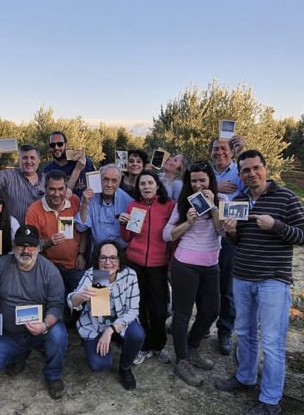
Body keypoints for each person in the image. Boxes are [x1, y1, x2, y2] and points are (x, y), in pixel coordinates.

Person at [215, 150, 304, 415]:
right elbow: (237, 240)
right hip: (242, 277)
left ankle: (270, 401)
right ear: (240, 174)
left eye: (255, 168)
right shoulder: (238, 200)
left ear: (265, 168)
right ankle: (245, 378)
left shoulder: (286, 198)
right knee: (244, 333)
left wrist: (276, 226)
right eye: (245, 170)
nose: (251, 174)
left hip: (273, 280)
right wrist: (231, 233)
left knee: (272, 341)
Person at [0, 225, 68, 400]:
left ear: (39, 248)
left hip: (40, 330)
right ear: (14, 246)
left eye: (31, 246)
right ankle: (19, 355)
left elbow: (57, 305)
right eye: (21, 245)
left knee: (58, 333)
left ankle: (54, 375)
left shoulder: (50, 271)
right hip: (9, 334)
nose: (26, 251)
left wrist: (44, 325)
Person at [163, 161, 225, 387]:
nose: (198, 185)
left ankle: (192, 347)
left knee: (211, 311)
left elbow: (222, 231)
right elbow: (166, 235)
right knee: (182, 314)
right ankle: (182, 360)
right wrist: (188, 223)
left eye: (202, 180)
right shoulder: (182, 203)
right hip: (186, 264)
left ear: (210, 181)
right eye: (194, 181)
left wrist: (214, 207)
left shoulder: (222, 200)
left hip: (211, 265)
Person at [66, 240, 145, 390]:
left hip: (118, 323)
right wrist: (81, 296)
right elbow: (71, 300)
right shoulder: (95, 274)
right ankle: (95, 342)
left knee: (137, 334)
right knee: (99, 364)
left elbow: (133, 310)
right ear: (97, 260)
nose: (108, 262)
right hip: (97, 325)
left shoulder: (129, 275)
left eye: (113, 258)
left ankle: (125, 368)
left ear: (119, 260)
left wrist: (110, 330)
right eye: (103, 258)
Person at [119, 170, 176, 365]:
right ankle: (143, 346)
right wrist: (123, 224)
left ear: (157, 185)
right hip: (135, 264)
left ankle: (158, 345)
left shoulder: (168, 205)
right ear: (138, 188)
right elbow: (127, 237)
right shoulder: (133, 206)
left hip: (159, 265)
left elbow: (173, 236)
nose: (146, 187)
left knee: (159, 310)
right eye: (142, 184)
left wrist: (170, 263)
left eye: (150, 183)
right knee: (139, 307)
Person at [25, 170, 87, 308]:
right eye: (52, 189)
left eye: (60, 189)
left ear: (66, 188)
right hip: (48, 265)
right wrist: (49, 242)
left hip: (74, 264)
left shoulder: (75, 201)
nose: (57, 193)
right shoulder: (34, 210)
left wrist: (81, 254)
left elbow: (83, 230)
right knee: (53, 303)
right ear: (45, 189)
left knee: (81, 300)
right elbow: (31, 246)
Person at [210, 135, 246, 355]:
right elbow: (192, 192)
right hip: (206, 235)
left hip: (230, 236)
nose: (220, 152)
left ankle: (224, 331)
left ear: (232, 152)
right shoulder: (207, 172)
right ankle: (203, 326)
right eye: (216, 148)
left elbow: (254, 185)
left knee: (227, 287)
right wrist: (215, 187)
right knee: (205, 284)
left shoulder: (239, 171)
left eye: (224, 148)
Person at [75, 164, 133, 256]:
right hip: (98, 252)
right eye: (105, 179)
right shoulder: (89, 197)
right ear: (99, 179)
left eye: (114, 180)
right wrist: (85, 204)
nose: (109, 184)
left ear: (119, 182)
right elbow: (81, 227)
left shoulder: (128, 201)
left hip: (121, 252)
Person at [0, 144, 44, 223]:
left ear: (39, 160)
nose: (28, 161)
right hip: (13, 229)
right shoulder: (8, 176)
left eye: (32, 158)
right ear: (19, 160)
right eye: (24, 158)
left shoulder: (47, 179)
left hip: (40, 229)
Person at [42, 131, 95, 198]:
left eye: (60, 144)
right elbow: (62, 197)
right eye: (52, 145)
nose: (56, 147)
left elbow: (96, 188)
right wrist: (77, 169)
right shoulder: (47, 170)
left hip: (87, 204)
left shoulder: (85, 161)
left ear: (66, 145)